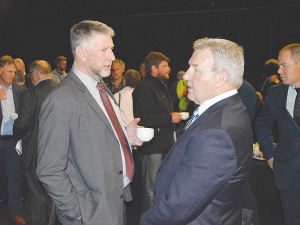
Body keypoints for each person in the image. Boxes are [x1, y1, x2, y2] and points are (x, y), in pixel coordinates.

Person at [36, 20, 142, 225]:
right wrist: (76, 214)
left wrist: (125, 137)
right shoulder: (60, 100)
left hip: (114, 204)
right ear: (82, 53)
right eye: (104, 50)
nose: (112, 56)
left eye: (111, 49)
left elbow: (98, 135)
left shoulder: (100, 88)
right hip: (90, 213)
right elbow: (49, 169)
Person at [140, 38, 253, 225]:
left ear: (220, 78)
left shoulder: (216, 133)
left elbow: (178, 207)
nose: (186, 76)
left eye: (195, 69)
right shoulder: (229, 109)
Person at [255, 43, 300, 225]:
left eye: (284, 65)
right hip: (288, 173)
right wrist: (271, 157)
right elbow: (262, 126)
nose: (279, 70)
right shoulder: (275, 93)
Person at [133, 52, 182, 215]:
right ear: (154, 68)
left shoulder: (160, 86)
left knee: (161, 189)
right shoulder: (144, 88)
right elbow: (144, 118)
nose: (169, 69)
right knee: (151, 191)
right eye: (165, 66)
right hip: (152, 149)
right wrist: (170, 117)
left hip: (164, 146)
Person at [13, 60, 56, 225]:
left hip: (35, 152)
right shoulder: (63, 90)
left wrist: (15, 135)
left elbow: (23, 123)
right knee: (56, 194)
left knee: (37, 194)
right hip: (60, 152)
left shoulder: (31, 93)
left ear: (35, 74)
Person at [0, 55, 26, 225]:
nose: (12, 75)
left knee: (14, 176)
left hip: (12, 140)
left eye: (14, 72)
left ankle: (15, 212)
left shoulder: (18, 90)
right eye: (9, 71)